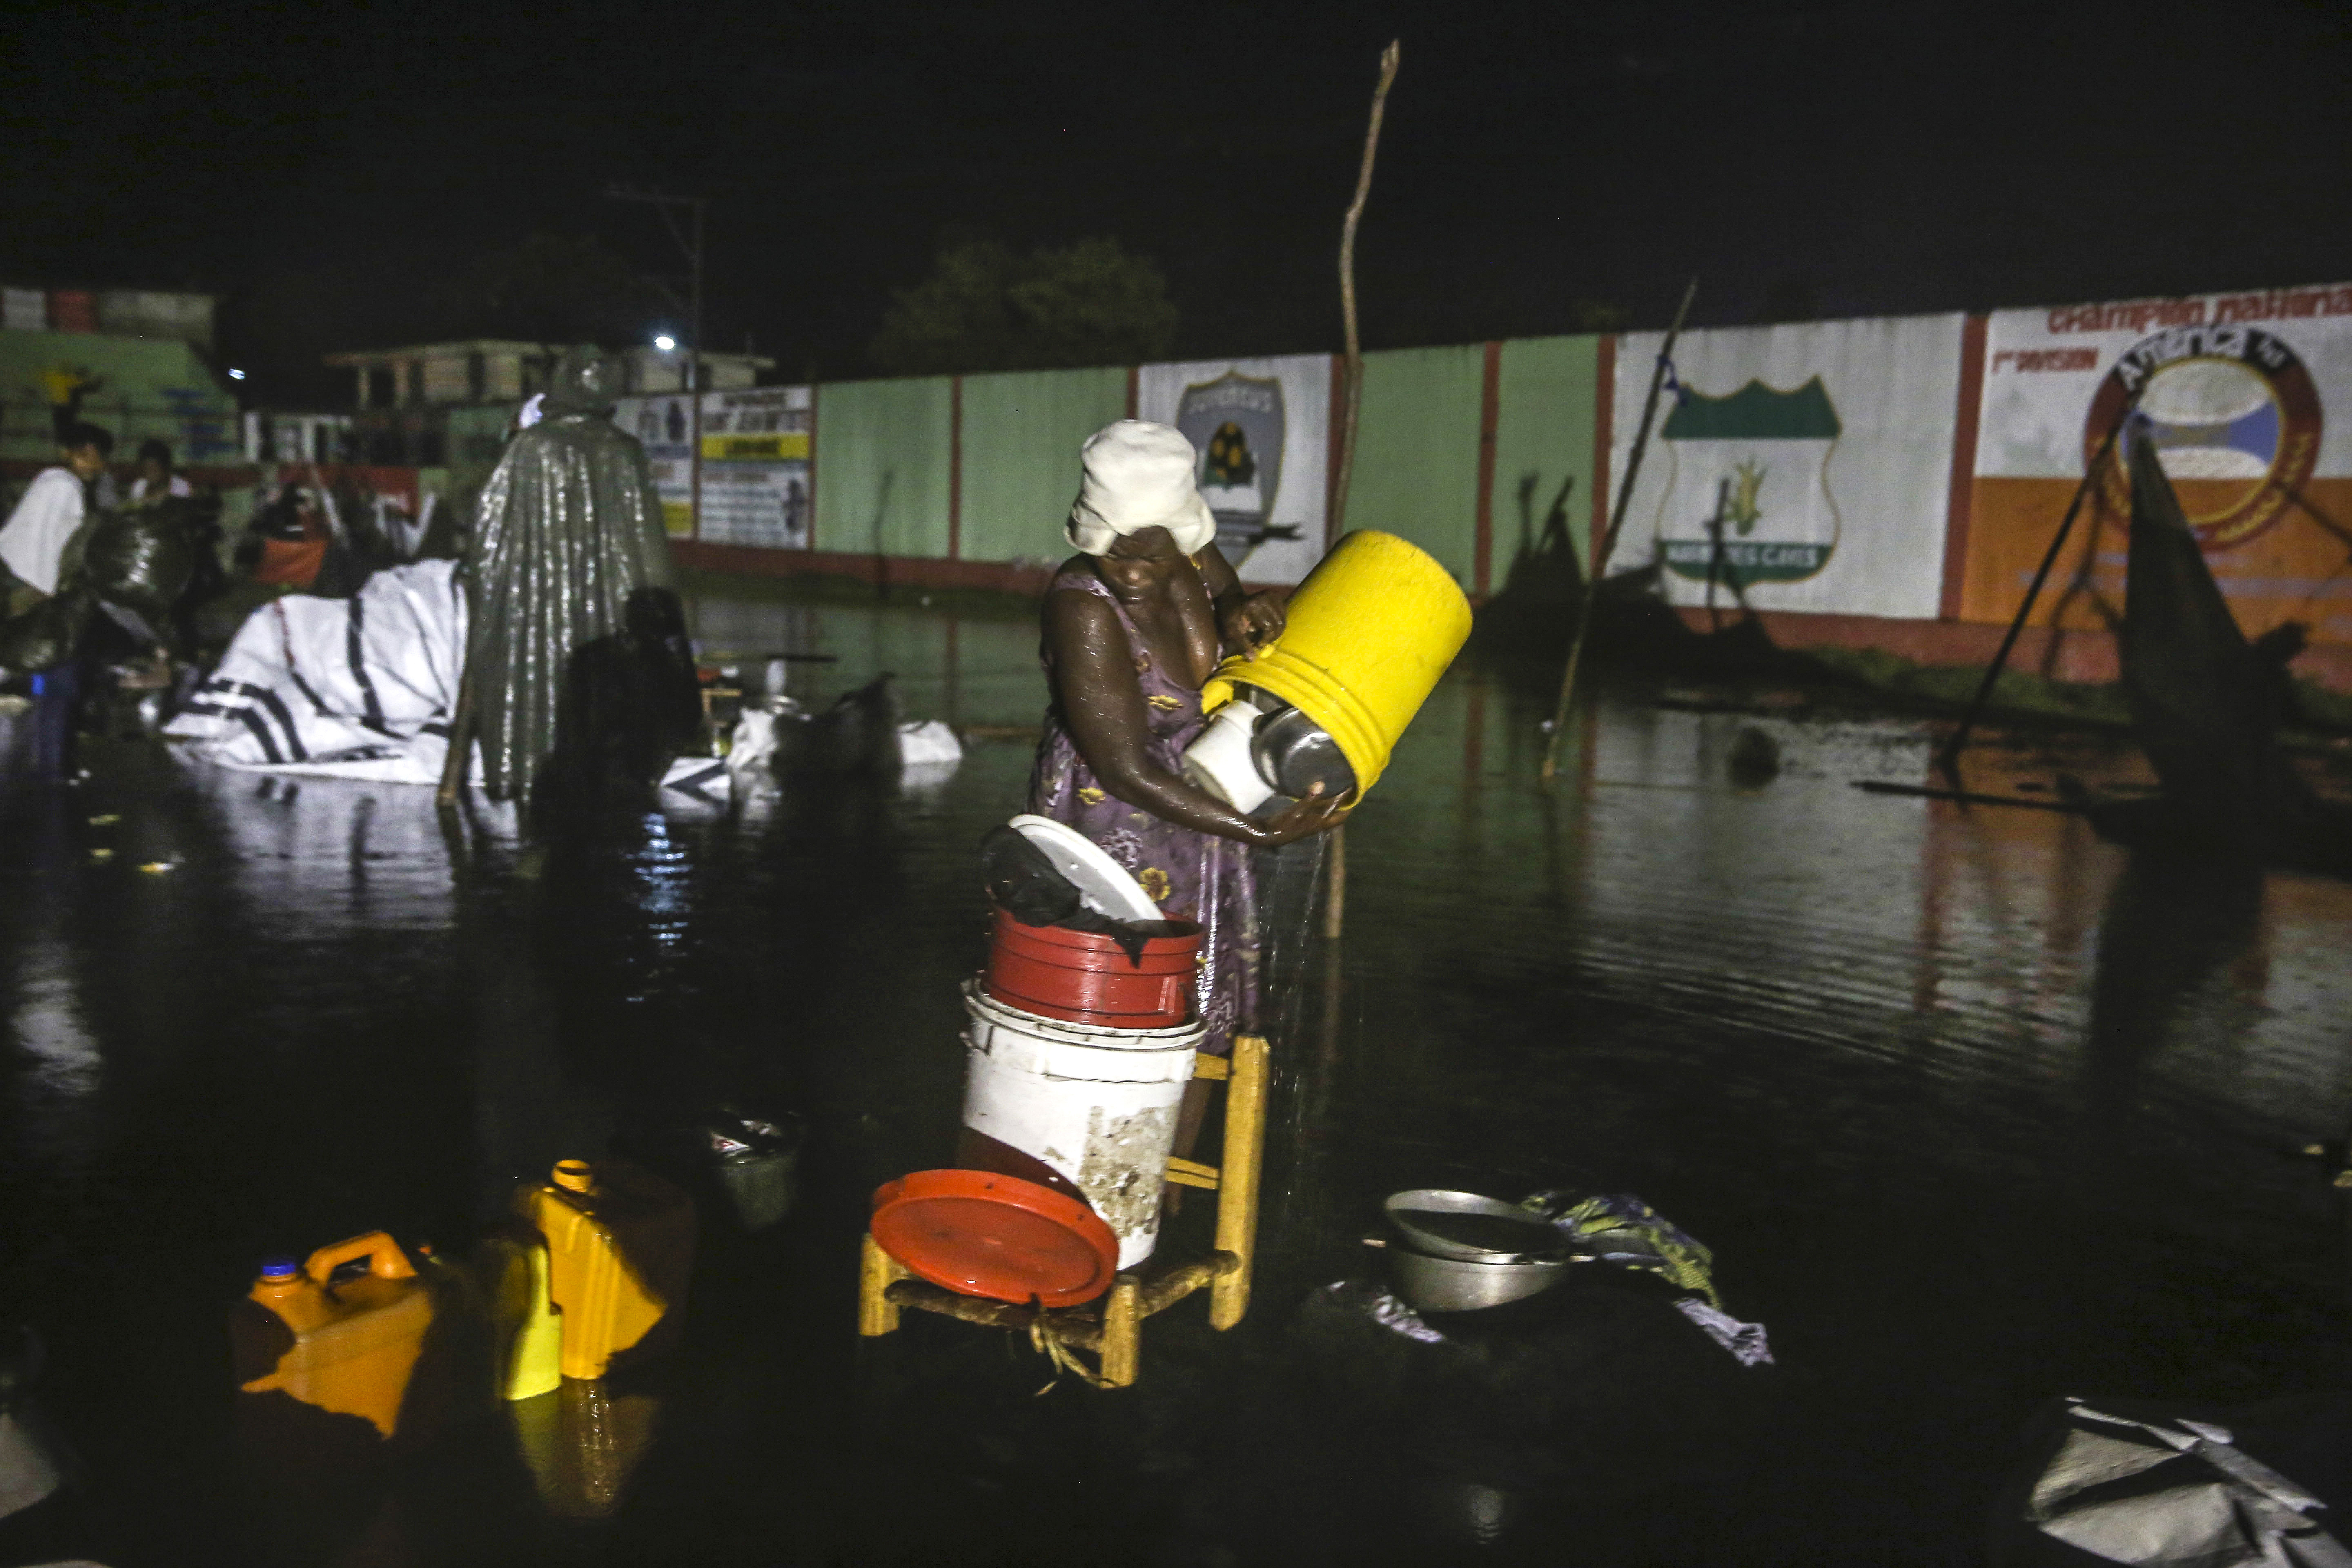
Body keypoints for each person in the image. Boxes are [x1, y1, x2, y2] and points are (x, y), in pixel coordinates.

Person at [1030, 421, 1347, 1075]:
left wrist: (1241, 610)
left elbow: (1225, 596)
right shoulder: (1083, 608)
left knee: (1201, 1013)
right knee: (1123, 1010)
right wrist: (1255, 832)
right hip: (1115, 819)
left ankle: (1176, 1172)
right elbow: (1124, 770)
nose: (1135, 572)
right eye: (1116, 554)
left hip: (1200, 797)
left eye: (1153, 556)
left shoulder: (1195, 559)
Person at [127, 439, 192, 505]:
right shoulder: (139, 487)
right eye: (147, 471)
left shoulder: (181, 487)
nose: (150, 475)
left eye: (154, 470)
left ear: (165, 469)